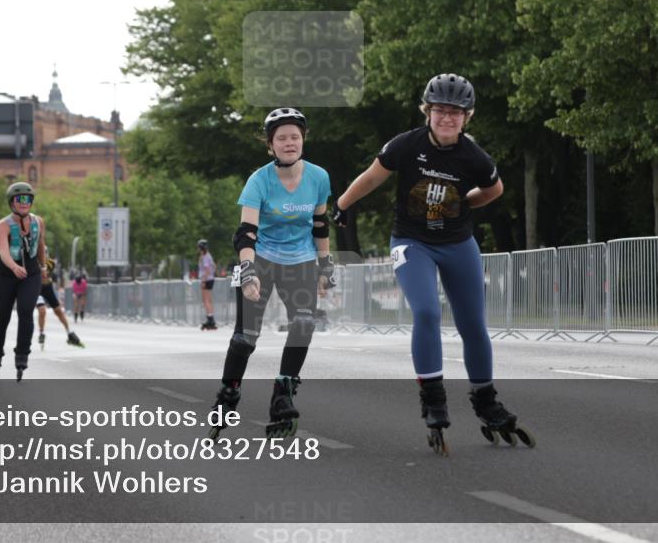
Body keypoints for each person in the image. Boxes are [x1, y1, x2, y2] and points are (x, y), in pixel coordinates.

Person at [332, 73, 532, 454]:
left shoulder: (474, 156)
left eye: (455, 112)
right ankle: (433, 399)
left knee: (473, 325)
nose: (447, 118)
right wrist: (342, 205)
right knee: (426, 312)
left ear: (467, 117)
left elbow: (495, 189)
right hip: (412, 242)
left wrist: (465, 203)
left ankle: (486, 401)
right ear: (427, 111)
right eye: (440, 110)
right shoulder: (406, 145)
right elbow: (372, 177)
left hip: (457, 243)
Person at [209, 107, 334, 439]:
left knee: (303, 325)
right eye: (281, 138)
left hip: (301, 260)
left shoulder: (319, 177)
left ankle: (283, 394)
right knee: (245, 338)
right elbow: (246, 233)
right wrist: (249, 271)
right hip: (261, 258)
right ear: (270, 145)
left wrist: (325, 266)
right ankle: (228, 393)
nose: (289, 143)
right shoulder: (259, 180)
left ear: (303, 140)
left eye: (295, 137)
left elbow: (320, 224)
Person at [0, 182, 46, 382]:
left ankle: (22, 354)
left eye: (27, 199)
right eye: (19, 199)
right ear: (11, 202)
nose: (24, 202)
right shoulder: (3, 225)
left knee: (26, 311)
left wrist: (43, 268)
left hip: (31, 274)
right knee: (2, 319)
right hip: (6, 275)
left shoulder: (38, 222)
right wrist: (14, 267)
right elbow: (3, 252)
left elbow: (40, 245)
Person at [35, 252, 84, 349]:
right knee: (42, 311)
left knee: (58, 311)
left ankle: (69, 332)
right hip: (37, 288)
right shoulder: (33, 263)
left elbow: (48, 273)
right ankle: (41, 333)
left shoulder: (51, 263)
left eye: (45, 253)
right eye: (42, 254)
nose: (44, 255)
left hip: (48, 288)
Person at [197, 239, 217, 330]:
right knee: (208, 300)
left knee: (205, 300)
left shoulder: (205, 257)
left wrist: (203, 281)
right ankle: (211, 318)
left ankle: (210, 319)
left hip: (206, 280)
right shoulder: (209, 256)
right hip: (210, 279)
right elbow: (214, 266)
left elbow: (207, 269)